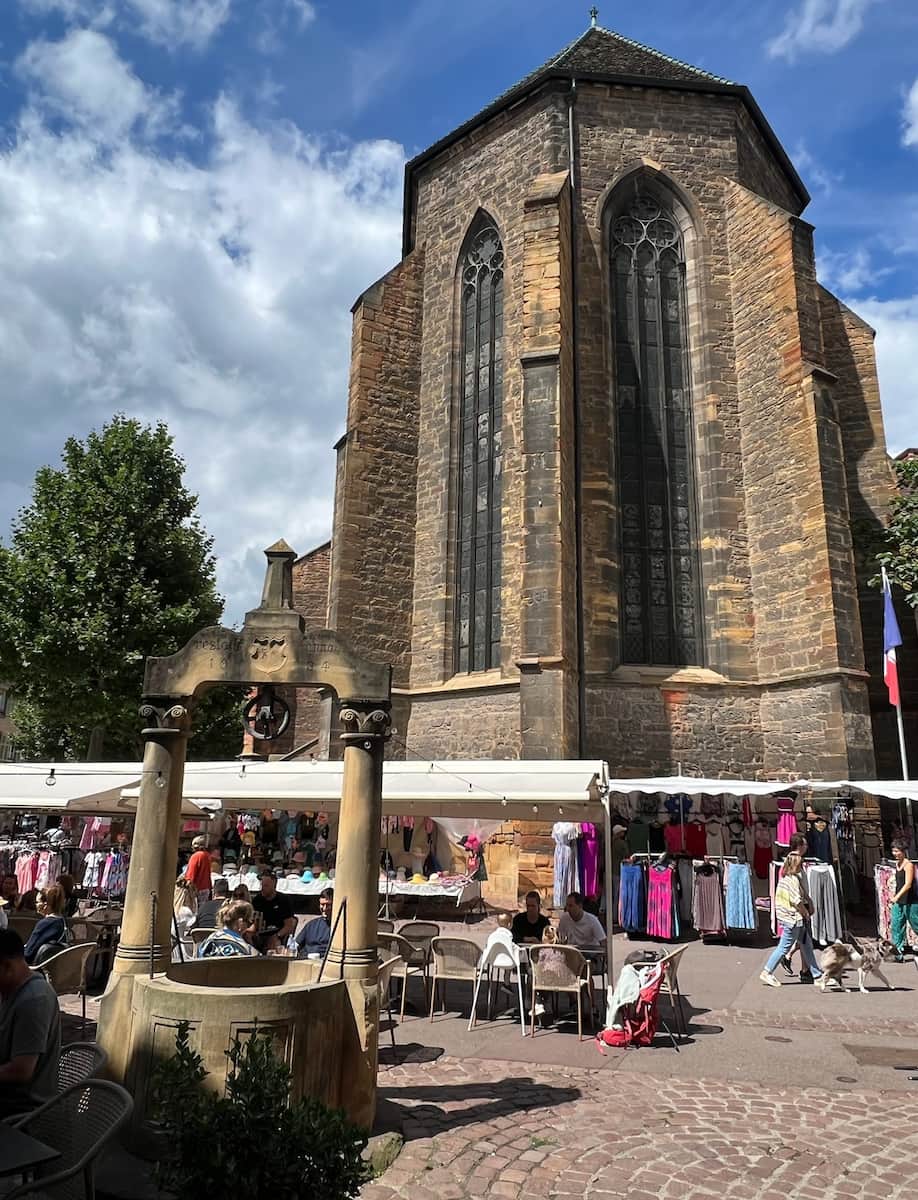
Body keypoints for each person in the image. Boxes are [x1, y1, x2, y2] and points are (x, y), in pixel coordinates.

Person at [0, 928, 61, 1118]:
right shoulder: (10, 989)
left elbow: (21, 1071)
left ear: (7, 966)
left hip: (22, 1110)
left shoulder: (33, 1000)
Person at [760, 853, 824, 987]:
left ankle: (817, 975)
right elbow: (797, 901)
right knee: (784, 947)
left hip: (791, 918)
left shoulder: (786, 878)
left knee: (806, 945)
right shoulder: (792, 880)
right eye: (800, 864)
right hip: (792, 919)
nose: (802, 867)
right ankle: (767, 971)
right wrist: (805, 912)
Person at [23, 885, 69, 966]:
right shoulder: (62, 922)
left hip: (34, 967)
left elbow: (28, 953)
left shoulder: (44, 924)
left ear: (45, 904)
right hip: (53, 967)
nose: (35, 904)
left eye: (37, 902)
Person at [252, 870, 296, 949]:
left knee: (274, 943)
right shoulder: (257, 900)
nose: (262, 889)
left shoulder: (284, 900)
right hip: (259, 933)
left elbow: (289, 925)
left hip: (277, 933)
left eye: (266, 886)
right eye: (261, 885)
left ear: (274, 884)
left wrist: (277, 936)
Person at [891, 840, 918, 961]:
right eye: (893, 850)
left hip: (911, 900)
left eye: (897, 851)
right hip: (899, 901)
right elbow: (899, 880)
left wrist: (897, 896)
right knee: (897, 925)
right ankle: (898, 952)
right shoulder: (897, 864)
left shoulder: (909, 865)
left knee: (915, 924)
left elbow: (908, 884)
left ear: (903, 852)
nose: (895, 853)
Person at [296, 888, 333, 958]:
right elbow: (297, 945)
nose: (324, 908)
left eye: (328, 905)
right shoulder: (311, 925)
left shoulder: (339, 926)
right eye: (322, 904)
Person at [172, 879, 199, 962]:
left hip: (171, 947)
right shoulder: (185, 911)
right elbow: (195, 927)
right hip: (182, 949)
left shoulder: (172, 910)